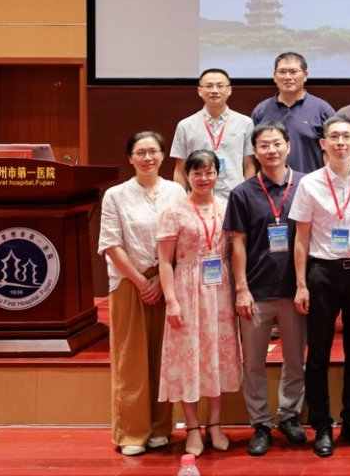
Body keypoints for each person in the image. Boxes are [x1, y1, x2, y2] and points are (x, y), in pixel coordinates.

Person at [98, 131, 185, 456]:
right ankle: (132, 432)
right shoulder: (116, 195)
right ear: (130, 158)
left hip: (167, 280)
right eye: (140, 152)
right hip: (128, 281)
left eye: (153, 151)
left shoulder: (176, 191)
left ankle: (161, 427)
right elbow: (110, 243)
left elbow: (183, 238)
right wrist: (141, 281)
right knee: (131, 359)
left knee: (163, 356)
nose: (147, 157)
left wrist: (161, 280)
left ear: (162, 156)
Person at [290, 115, 350, 457]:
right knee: (319, 353)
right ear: (323, 144)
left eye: (346, 137)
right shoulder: (309, 184)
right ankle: (321, 424)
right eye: (333, 137)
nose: (340, 142)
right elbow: (301, 239)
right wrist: (300, 284)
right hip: (322, 273)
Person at [224, 122, 308, 456]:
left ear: (288, 146)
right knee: (254, 363)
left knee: (295, 360)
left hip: (294, 290)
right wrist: (241, 289)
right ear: (255, 152)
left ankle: (289, 416)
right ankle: (260, 422)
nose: (271, 150)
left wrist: (304, 285)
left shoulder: (305, 185)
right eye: (263, 145)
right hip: (256, 291)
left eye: (276, 144)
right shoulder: (242, 193)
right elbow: (237, 243)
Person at [156, 149, 242, 457]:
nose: (204, 178)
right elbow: (165, 261)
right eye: (197, 172)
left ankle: (215, 424)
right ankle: (192, 427)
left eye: (209, 172)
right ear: (187, 175)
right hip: (187, 288)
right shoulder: (174, 211)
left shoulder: (227, 206)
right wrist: (171, 300)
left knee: (216, 356)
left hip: (219, 288)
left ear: (217, 174)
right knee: (188, 357)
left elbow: (236, 248)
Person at [170, 68, 256, 199]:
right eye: (209, 86)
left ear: (229, 90)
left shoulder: (245, 123)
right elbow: (180, 170)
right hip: (198, 198)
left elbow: (249, 166)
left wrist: (247, 197)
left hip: (234, 197)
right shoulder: (185, 125)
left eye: (220, 86)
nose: (214, 90)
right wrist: (180, 201)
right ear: (200, 91)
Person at [252, 51, 335, 173]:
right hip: (270, 183)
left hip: (311, 182)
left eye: (293, 72)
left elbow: (333, 152)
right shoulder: (261, 111)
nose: (287, 77)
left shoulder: (322, 110)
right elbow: (253, 154)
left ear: (305, 75)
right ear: (274, 76)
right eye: (282, 72)